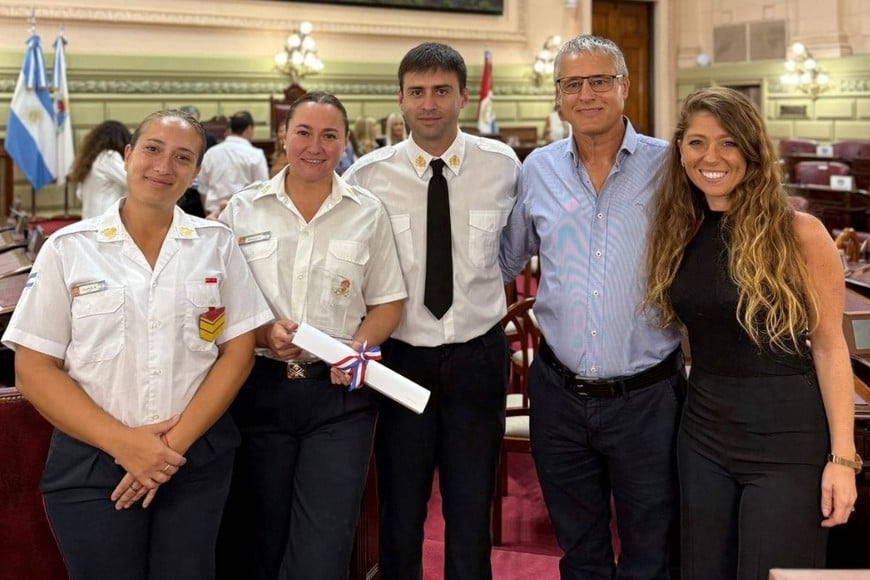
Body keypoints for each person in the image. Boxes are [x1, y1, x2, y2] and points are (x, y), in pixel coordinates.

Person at [0, 109, 273, 580]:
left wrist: (166, 451)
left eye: (182, 157)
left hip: (193, 459)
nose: (164, 166)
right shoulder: (69, 249)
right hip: (92, 461)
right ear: (127, 156)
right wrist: (126, 444)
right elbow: (34, 369)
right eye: (152, 149)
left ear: (196, 171)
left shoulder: (217, 245)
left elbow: (237, 351)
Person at [644, 86, 859, 579]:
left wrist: (843, 459)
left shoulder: (800, 232)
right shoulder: (678, 230)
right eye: (697, 142)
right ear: (680, 151)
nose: (711, 157)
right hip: (702, 437)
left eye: (728, 142)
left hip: (787, 442)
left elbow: (830, 348)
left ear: (753, 150)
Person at [499, 34, 684, 579]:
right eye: (573, 84)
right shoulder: (537, 169)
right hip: (559, 396)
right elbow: (506, 260)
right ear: (558, 95)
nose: (587, 94)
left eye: (600, 81)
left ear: (624, 86)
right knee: (580, 555)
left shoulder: (670, 166)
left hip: (648, 399)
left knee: (652, 554)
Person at [343, 42, 520, 580]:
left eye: (441, 91)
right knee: (401, 507)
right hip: (401, 359)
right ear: (399, 98)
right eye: (416, 92)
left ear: (463, 97)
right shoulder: (368, 177)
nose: (428, 104)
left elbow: (514, 253)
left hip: (478, 357)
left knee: (471, 507)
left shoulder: (503, 167)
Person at [216, 91, 406, 580]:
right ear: (283, 136)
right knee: (259, 539)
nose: (315, 146)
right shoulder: (243, 210)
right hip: (258, 390)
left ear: (345, 142)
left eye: (329, 135)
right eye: (303, 132)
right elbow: (219, 303)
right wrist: (263, 331)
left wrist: (357, 349)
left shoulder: (367, 211)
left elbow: (388, 302)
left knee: (324, 546)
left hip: (337, 400)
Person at [198, 110, 269, 215]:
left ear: (230, 129)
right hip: (245, 214)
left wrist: (208, 214)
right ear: (249, 129)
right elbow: (263, 189)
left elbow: (203, 188)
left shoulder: (211, 153)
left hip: (214, 213)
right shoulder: (256, 155)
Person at [69, 120, 131, 219]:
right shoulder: (109, 157)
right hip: (106, 220)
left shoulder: (89, 160)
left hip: (88, 219)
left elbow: (79, 194)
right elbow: (132, 180)